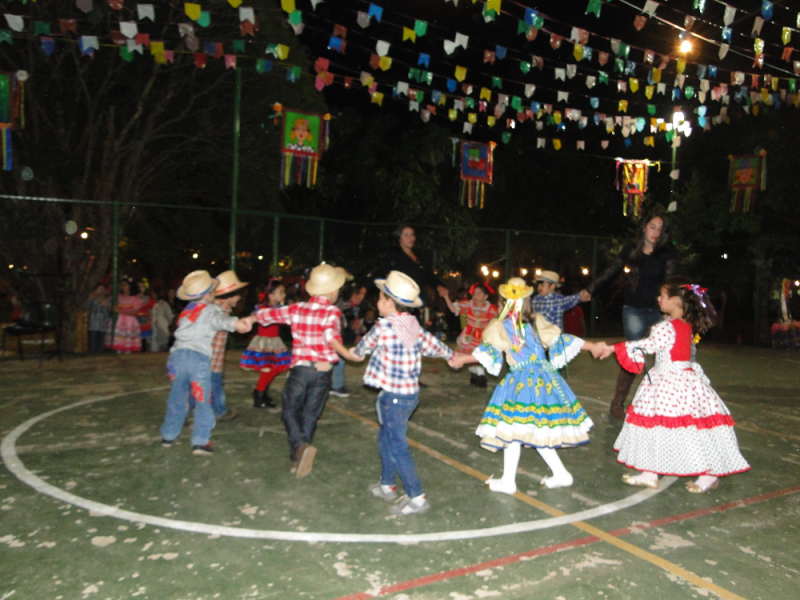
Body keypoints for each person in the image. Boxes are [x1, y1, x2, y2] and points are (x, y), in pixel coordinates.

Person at [595, 278, 750, 493]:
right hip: (682, 380)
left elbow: (648, 345)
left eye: (663, 296)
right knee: (667, 426)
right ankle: (651, 473)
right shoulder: (685, 324)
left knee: (667, 426)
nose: (658, 299)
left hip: (668, 384)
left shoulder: (666, 327)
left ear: (676, 300)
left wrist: (613, 348)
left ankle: (707, 474)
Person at [450, 278, 603, 494]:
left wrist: (463, 359)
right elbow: (562, 340)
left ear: (505, 304)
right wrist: (593, 346)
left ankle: (509, 481)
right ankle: (559, 474)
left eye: (500, 302)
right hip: (545, 380)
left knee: (514, 429)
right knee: (532, 429)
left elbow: (489, 352)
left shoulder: (502, 326)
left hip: (522, 382)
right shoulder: (536, 322)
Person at [351, 271, 456, 516]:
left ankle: (417, 497)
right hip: (409, 396)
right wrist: (452, 356)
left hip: (393, 397)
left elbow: (360, 350)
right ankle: (387, 485)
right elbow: (434, 346)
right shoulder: (412, 326)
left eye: (380, 297)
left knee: (397, 445)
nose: (378, 301)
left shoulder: (383, 326)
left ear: (389, 302)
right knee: (386, 438)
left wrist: (344, 350)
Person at [242, 264, 360, 478]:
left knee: (289, 410)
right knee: (310, 415)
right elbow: (331, 336)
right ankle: (298, 456)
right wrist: (347, 354)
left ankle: (299, 450)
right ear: (334, 292)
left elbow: (269, 314)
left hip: (300, 371)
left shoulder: (297, 308)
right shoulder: (332, 311)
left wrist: (250, 319)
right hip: (322, 372)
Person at [581, 210, 677, 419]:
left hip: (659, 311)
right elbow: (611, 270)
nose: (655, 232)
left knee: (665, 356)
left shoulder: (667, 252)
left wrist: (671, 310)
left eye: (660, 229)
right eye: (652, 227)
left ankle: (662, 405)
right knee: (634, 354)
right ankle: (617, 403)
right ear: (644, 227)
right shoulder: (631, 250)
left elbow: (670, 281)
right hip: (634, 310)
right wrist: (590, 289)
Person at [160, 271, 252, 456]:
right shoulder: (210, 309)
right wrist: (236, 324)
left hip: (176, 357)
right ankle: (200, 442)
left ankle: (168, 435)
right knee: (203, 400)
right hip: (198, 358)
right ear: (209, 294)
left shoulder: (187, 310)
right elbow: (219, 320)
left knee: (178, 396)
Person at [240, 279, 290, 410]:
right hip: (265, 342)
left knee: (277, 368)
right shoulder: (263, 309)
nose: (284, 295)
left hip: (275, 341)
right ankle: (259, 395)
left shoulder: (279, 309)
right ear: (270, 295)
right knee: (269, 368)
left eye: (284, 292)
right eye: (280, 292)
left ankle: (262, 392)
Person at [373, 224, 449, 304]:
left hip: (416, 299)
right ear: (399, 238)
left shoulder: (419, 256)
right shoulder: (394, 255)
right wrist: (365, 289)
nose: (411, 238)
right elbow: (379, 271)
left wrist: (438, 286)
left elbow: (428, 275)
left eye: (412, 234)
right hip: (399, 300)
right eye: (406, 235)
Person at [440, 282, 498, 388]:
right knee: (467, 358)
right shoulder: (468, 305)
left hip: (483, 338)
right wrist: (446, 297)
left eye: (479, 293)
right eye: (474, 293)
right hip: (469, 338)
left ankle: (478, 375)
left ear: (485, 296)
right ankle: (477, 375)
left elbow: (496, 322)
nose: (475, 296)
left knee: (478, 357)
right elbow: (453, 309)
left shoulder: (491, 309)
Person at [210, 271, 249, 422]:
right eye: (237, 294)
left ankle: (183, 413)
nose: (239, 298)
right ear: (229, 295)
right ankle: (219, 411)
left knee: (203, 386)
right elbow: (223, 322)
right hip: (211, 359)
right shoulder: (220, 309)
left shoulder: (215, 306)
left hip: (209, 358)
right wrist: (236, 324)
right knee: (214, 384)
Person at [330, 273, 365, 398]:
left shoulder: (350, 305)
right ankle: (336, 386)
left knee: (336, 361)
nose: (359, 299)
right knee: (338, 361)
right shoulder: (338, 300)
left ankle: (335, 385)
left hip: (335, 335)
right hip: (329, 336)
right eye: (357, 296)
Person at [105, 278, 142, 353]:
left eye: (125, 285)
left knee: (127, 334)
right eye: (122, 285)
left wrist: (120, 311)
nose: (123, 287)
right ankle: (119, 348)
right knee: (119, 336)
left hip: (129, 321)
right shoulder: (118, 297)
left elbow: (133, 312)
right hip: (118, 320)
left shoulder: (134, 299)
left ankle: (127, 348)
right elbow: (112, 307)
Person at [82, 283, 111, 353]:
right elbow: (84, 307)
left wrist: (107, 306)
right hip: (93, 325)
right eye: (99, 289)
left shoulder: (108, 300)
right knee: (93, 345)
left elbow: (111, 311)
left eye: (103, 289)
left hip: (103, 325)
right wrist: (89, 299)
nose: (101, 291)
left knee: (101, 346)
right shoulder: (92, 299)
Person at [134, 279, 156, 352]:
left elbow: (151, 311)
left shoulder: (148, 299)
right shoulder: (132, 298)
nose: (141, 288)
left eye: (142, 286)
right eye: (139, 286)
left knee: (145, 342)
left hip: (146, 322)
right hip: (134, 322)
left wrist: (150, 320)